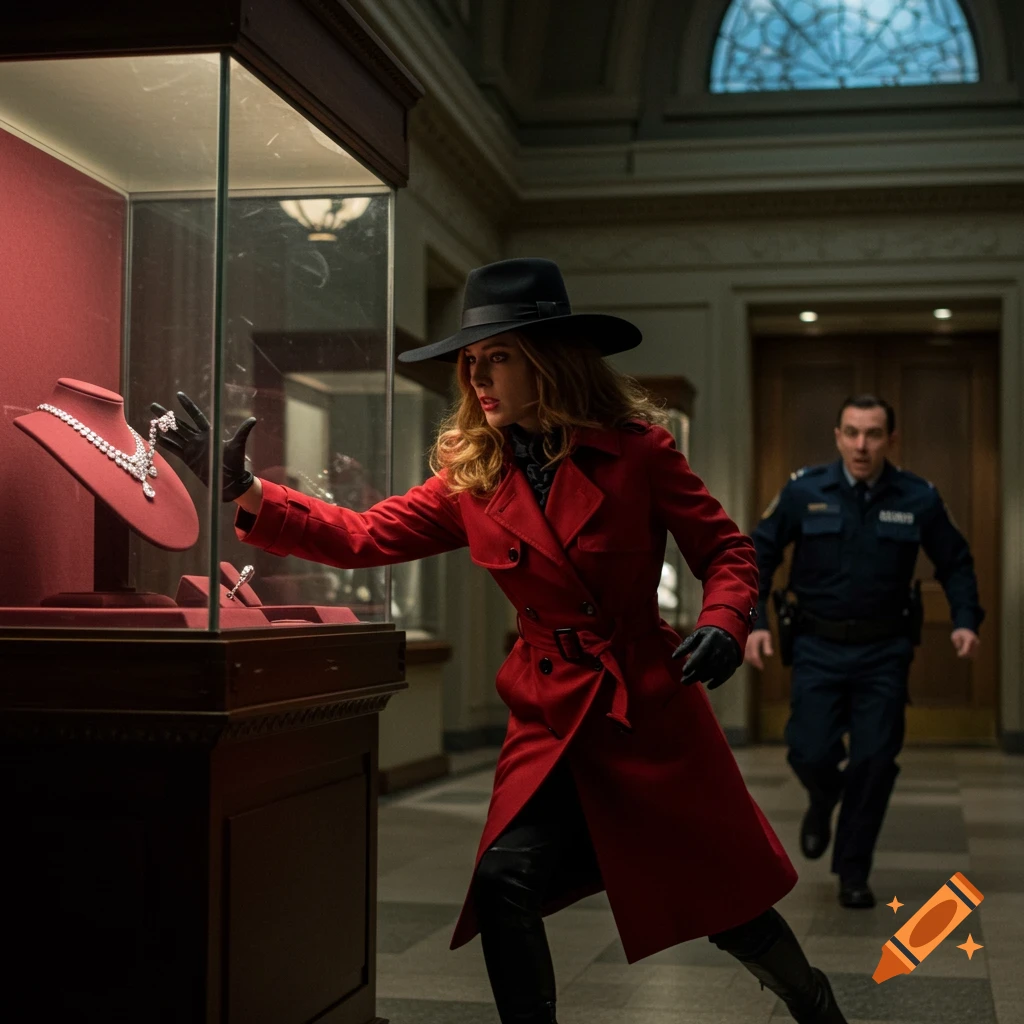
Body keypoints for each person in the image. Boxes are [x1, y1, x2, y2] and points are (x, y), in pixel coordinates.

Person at [153, 258, 847, 1024]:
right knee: (502, 884)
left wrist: (722, 622)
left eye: (499, 357)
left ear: (549, 361)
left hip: (646, 709)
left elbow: (728, 553)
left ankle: (813, 1002)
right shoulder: (473, 474)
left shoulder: (640, 452)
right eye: (471, 361)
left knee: (728, 904)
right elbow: (362, 535)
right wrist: (245, 490)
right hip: (549, 714)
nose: (478, 377)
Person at [747, 395, 983, 910]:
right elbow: (757, 555)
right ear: (837, 436)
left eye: (873, 434)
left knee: (874, 760)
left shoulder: (918, 496)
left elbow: (956, 562)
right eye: (852, 433)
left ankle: (853, 871)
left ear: (890, 440)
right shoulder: (804, 490)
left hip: (884, 651)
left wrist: (965, 619)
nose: (861, 445)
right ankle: (823, 795)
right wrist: (754, 622)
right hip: (816, 646)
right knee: (809, 750)